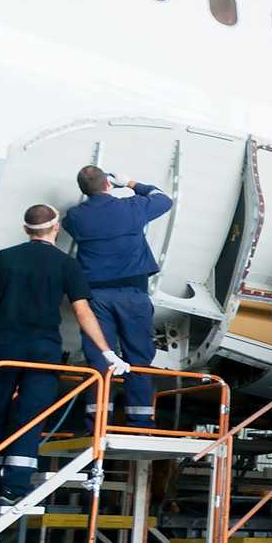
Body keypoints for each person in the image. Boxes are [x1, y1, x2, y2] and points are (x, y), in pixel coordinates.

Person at [0, 205, 129, 506]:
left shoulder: (3, 259)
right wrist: (108, 352)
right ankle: (14, 489)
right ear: (56, 229)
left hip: (4, 349)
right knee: (30, 417)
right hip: (43, 351)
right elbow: (82, 312)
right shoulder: (66, 265)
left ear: (26, 229)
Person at [62, 165, 172, 429]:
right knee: (139, 355)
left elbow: (68, 224)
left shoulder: (75, 217)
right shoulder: (132, 207)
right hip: (133, 294)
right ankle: (141, 421)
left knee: (100, 356)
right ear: (109, 185)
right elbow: (163, 199)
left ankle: (97, 421)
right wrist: (132, 182)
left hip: (96, 296)